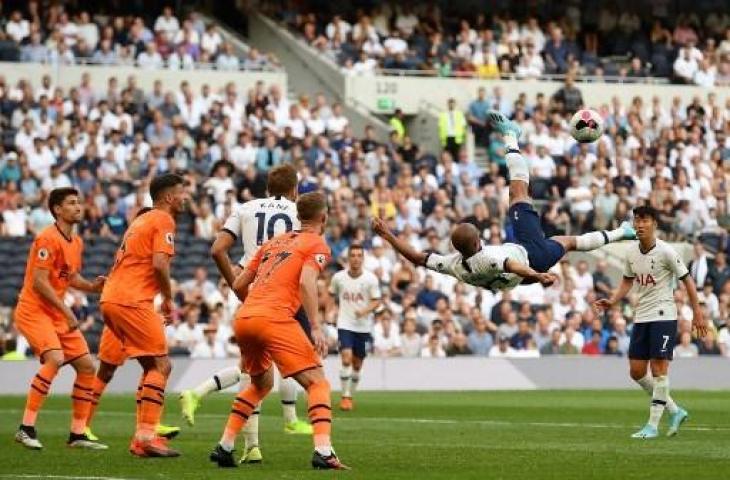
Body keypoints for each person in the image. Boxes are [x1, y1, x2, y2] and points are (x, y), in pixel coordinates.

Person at [372, 111, 636, 293]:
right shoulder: (488, 257)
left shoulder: (454, 266)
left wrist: (389, 236)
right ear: (478, 242)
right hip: (530, 259)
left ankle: (623, 232)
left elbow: (418, 258)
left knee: (569, 242)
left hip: (520, 281)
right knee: (519, 194)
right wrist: (538, 275)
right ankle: (511, 135)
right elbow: (511, 264)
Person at [179, 165, 312, 465]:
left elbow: (217, 250)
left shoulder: (245, 208)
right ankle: (276, 431)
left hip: (249, 291)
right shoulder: (297, 212)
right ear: (294, 190)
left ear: (267, 188)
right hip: (281, 296)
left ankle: (247, 443)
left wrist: (237, 286)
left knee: (256, 371)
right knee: (274, 372)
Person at [211, 192, 349, 470]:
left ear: (298, 216)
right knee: (318, 382)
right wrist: (316, 326)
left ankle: (225, 446)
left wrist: (255, 307)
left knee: (260, 385)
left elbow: (237, 285)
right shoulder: (317, 243)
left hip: (246, 316)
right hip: (274, 318)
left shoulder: (273, 243)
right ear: (323, 218)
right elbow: (307, 282)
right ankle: (323, 451)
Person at [594, 205, 708, 439]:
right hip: (642, 315)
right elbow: (627, 280)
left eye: (644, 220)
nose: (639, 224)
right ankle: (675, 411)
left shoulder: (666, 251)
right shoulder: (631, 252)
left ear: (654, 224)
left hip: (664, 315)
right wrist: (613, 300)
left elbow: (687, 281)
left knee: (658, 369)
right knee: (636, 372)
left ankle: (653, 426)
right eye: (636, 220)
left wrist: (698, 313)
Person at [99, 174, 187, 457]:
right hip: (132, 300)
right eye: (182, 193)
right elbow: (160, 264)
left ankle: (141, 438)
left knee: (152, 366)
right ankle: (147, 436)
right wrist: (169, 300)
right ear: (169, 197)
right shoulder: (163, 219)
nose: (185, 199)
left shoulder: (140, 220)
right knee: (162, 367)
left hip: (112, 297)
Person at [13, 188, 107, 450]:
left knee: (88, 366)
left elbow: (70, 276)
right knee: (55, 358)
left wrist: (91, 287)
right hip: (34, 310)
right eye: (72, 203)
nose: (79, 207)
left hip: (55, 313)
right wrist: (67, 311)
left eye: (79, 202)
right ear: (57, 209)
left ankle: (77, 434)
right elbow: (40, 283)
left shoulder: (75, 242)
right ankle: (25, 428)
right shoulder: (47, 238)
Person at [83, 207, 180, 443]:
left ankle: (148, 425)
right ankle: (82, 424)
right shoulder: (150, 234)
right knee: (108, 370)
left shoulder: (137, 246)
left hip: (131, 308)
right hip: (126, 309)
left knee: (152, 365)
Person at [329, 244, 381, 411]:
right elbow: (331, 295)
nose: (356, 258)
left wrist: (364, 311)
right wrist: (330, 311)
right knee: (346, 358)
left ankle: (350, 394)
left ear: (363, 258)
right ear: (348, 258)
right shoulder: (338, 277)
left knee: (357, 365)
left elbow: (376, 301)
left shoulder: (370, 279)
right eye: (353, 255)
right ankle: (345, 397)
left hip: (364, 327)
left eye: (359, 255)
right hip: (345, 324)